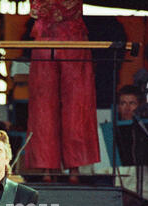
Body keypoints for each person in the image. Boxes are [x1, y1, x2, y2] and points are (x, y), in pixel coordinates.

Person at [25, 0, 100, 182]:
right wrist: (49, 10)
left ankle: (75, 167)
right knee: (43, 105)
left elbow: (69, 7)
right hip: (45, 36)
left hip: (73, 37)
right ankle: (47, 167)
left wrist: (50, 9)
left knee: (76, 104)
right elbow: (35, 11)